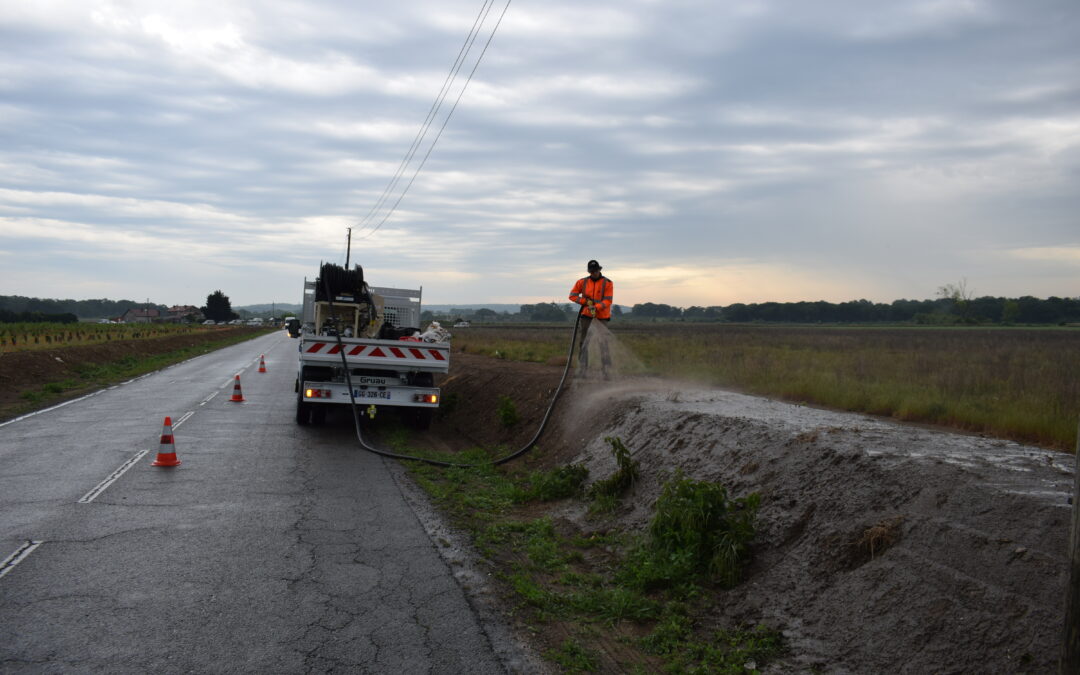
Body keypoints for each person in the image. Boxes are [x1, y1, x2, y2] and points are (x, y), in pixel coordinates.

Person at [568, 260, 614, 378]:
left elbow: (608, 301)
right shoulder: (582, 282)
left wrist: (596, 307)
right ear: (589, 271)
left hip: (602, 317)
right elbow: (572, 296)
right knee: (584, 343)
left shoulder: (607, 283)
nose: (594, 273)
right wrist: (585, 301)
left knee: (603, 343)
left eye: (596, 271)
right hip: (586, 316)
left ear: (599, 270)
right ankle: (582, 371)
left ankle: (606, 371)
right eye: (592, 271)